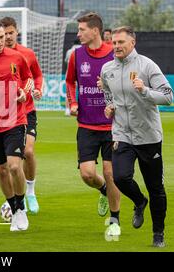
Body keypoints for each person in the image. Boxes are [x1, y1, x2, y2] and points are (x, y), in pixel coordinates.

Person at [100, 26, 173, 247]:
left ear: (133, 42)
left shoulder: (147, 65)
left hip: (149, 136)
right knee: (120, 177)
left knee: (156, 188)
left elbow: (168, 97)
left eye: (121, 42)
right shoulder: (107, 69)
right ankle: (139, 202)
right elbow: (107, 93)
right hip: (122, 134)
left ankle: (158, 234)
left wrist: (145, 91)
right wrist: (110, 106)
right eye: (113, 42)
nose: (116, 46)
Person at [65, 12, 121, 240]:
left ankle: (115, 220)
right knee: (88, 174)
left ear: (95, 30)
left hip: (112, 126)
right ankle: (104, 192)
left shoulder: (114, 53)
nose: (78, 34)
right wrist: (73, 102)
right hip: (86, 125)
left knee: (110, 172)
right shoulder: (76, 56)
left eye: (81, 30)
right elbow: (70, 81)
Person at [0, 20, 32, 231]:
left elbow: (28, 79)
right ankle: (13, 207)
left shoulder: (17, 57)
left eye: (2, 37)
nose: (0, 41)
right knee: (2, 170)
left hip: (15, 120)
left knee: (14, 166)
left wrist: (24, 92)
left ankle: (20, 208)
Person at [0, 17, 43, 214]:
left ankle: (31, 191)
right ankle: (15, 199)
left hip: (27, 111)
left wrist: (38, 89)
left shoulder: (27, 54)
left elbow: (37, 75)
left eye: (10, 33)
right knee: (10, 163)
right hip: (4, 114)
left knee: (28, 152)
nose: (7, 37)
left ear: (16, 32)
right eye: (4, 33)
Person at [64, 39, 82, 116]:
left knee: (69, 91)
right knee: (82, 91)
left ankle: (68, 109)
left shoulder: (69, 51)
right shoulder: (82, 50)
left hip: (70, 72)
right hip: (80, 73)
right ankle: (81, 108)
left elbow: (66, 61)